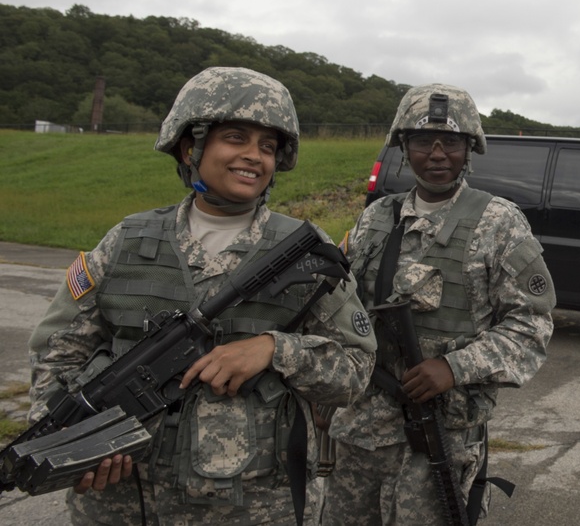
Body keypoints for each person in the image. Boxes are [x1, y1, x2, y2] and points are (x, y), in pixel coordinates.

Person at [28, 67, 376, 525]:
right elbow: (56, 353)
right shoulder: (126, 242)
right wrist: (73, 443)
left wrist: (275, 349)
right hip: (122, 501)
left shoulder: (305, 252)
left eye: (267, 146)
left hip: (254, 506)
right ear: (191, 147)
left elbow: (356, 370)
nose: (254, 156)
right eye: (235, 138)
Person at [323, 83, 555, 525]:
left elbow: (531, 327)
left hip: (439, 438)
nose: (436, 153)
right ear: (403, 148)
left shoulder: (499, 222)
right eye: (421, 141)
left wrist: (454, 369)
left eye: (450, 141)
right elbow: (342, 309)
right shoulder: (376, 217)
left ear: (469, 148)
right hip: (361, 431)